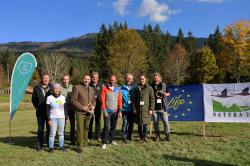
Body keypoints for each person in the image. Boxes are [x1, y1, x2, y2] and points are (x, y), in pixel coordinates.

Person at [70, 74, 96, 153]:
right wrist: (82, 107)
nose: (87, 80)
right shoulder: (77, 87)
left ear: (90, 80)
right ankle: (79, 146)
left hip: (89, 112)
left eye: (88, 79)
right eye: (85, 79)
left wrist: (93, 106)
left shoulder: (91, 88)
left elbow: (94, 100)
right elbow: (73, 100)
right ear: (82, 79)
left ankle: (85, 142)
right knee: (80, 128)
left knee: (86, 128)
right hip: (80, 112)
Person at [32, 73, 53, 151]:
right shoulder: (36, 88)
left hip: (50, 112)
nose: (46, 80)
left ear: (49, 79)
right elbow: (33, 100)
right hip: (40, 113)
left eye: (47, 78)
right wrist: (37, 107)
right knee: (40, 129)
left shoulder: (52, 87)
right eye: (44, 78)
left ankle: (48, 143)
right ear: (42, 79)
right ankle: (39, 145)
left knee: (49, 129)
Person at [101, 75, 122, 149]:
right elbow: (103, 100)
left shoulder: (118, 89)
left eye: (114, 80)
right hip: (107, 111)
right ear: (109, 80)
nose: (112, 81)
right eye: (111, 80)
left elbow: (120, 100)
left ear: (115, 81)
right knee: (106, 127)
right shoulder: (104, 88)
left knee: (113, 126)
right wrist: (104, 110)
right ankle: (104, 142)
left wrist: (120, 110)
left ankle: (111, 139)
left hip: (115, 111)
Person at [46, 83, 69, 152]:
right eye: (55, 88)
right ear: (53, 89)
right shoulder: (49, 98)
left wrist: (66, 118)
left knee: (61, 133)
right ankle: (51, 147)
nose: (56, 90)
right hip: (53, 118)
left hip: (62, 118)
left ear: (60, 89)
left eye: (58, 88)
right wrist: (49, 119)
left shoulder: (63, 97)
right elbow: (47, 110)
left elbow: (65, 109)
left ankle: (61, 146)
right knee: (52, 133)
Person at [133, 74, 155, 143]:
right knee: (139, 125)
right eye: (140, 79)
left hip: (146, 110)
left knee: (145, 124)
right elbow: (134, 99)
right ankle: (141, 137)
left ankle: (145, 137)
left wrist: (151, 109)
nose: (142, 80)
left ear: (145, 79)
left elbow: (152, 99)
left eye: (143, 79)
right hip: (138, 110)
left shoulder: (149, 88)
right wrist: (134, 108)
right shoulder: (136, 88)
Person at [151, 72, 171, 141]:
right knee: (155, 123)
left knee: (166, 122)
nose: (156, 79)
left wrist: (165, 94)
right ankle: (157, 136)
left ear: (160, 78)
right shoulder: (151, 86)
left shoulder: (164, 85)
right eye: (155, 78)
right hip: (154, 108)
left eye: (157, 78)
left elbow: (169, 93)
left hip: (163, 107)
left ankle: (167, 135)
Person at [120, 74, 136, 144]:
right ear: (125, 79)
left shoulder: (135, 87)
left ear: (132, 80)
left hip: (133, 109)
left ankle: (129, 136)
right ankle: (124, 137)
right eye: (127, 78)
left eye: (130, 78)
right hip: (125, 109)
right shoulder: (121, 88)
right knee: (125, 123)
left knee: (131, 124)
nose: (129, 80)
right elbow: (119, 99)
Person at [61, 74, 75, 145]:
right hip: (63, 107)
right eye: (64, 79)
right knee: (63, 124)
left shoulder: (73, 87)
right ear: (62, 80)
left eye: (67, 79)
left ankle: (73, 140)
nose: (65, 81)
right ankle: (61, 140)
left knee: (72, 124)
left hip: (71, 107)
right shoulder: (60, 87)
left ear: (69, 80)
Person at [88, 72, 103, 141]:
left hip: (98, 105)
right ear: (91, 78)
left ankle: (97, 136)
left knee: (98, 121)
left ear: (98, 78)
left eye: (96, 77)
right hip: (90, 105)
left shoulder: (101, 85)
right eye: (93, 77)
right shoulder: (89, 85)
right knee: (90, 120)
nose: (95, 78)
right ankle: (89, 136)